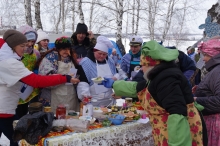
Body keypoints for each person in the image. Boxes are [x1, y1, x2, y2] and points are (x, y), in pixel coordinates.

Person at [102, 40, 208, 146]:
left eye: (142, 65)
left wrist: (178, 143)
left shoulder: (167, 79)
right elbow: (138, 87)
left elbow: (177, 112)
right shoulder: (157, 75)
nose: (141, 69)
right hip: (165, 130)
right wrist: (114, 84)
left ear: (150, 64)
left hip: (177, 133)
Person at [0, 29, 80, 146]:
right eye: (22, 46)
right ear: (12, 46)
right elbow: (37, 81)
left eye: (26, 45)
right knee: (17, 139)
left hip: (6, 108)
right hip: (3, 110)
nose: (25, 49)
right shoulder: (10, 63)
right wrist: (65, 78)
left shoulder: (6, 59)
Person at [38, 36, 87, 112]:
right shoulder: (51, 58)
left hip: (71, 97)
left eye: (68, 49)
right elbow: (44, 79)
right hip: (54, 96)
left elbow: (79, 75)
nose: (66, 51)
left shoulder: (71, 58)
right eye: (63, 49)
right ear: (58, 49)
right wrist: (63, 79)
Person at [77, 36, 120, 107]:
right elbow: (83, 82)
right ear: (94, 51)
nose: (102, 56)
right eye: (99, 53)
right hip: (93, 101)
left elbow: (117, 74)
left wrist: (115, 79)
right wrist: (85, 95)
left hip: (109, 100)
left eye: (104, 54)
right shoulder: (85, 63)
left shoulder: (110, 61)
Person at [193, 38, 220, 146]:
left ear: (214, 55)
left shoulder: (218, 71)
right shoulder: (216, 70)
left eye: (206, 55)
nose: (203, 59)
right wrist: (202, 88)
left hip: (215, 125)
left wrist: (197, 100)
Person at [15, 25, 41, 119]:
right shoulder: (14, 53)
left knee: (32, 115)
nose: (30, 44)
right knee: (18, 115)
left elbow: (37, 66)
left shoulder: (36, 53)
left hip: (31, 89)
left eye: (32, 41)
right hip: (17, 88)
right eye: (27, 41)